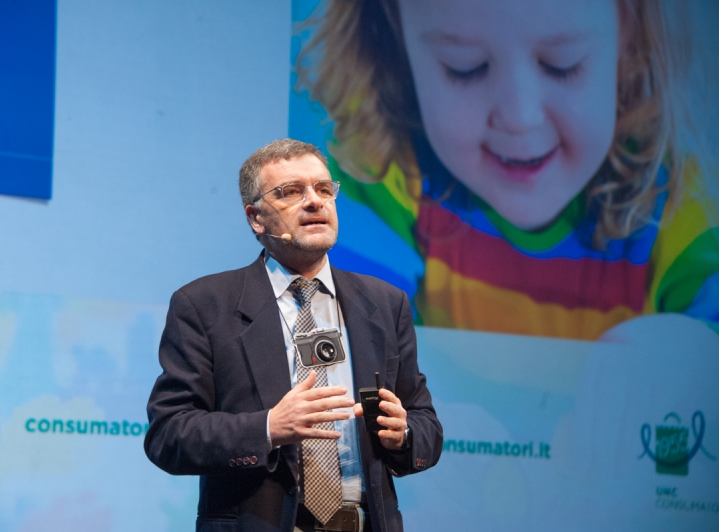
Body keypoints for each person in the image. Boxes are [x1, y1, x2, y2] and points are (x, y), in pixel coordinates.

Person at [294, 0, 719, 340]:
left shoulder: (679, 201)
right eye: (465, 66)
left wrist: (685, 350)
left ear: (629, 30)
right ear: (396, 34)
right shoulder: (383, 171)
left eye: (562, 63)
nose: (521, 117)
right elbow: (338, 327)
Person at [144, 139, 443, 532]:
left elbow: (425, 425)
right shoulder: (204, 305)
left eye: (324, 189)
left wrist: (402, 433)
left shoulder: (386, 303)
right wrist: (268, 427)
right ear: (256, 218)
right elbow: (169, 435)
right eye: (290, 192)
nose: (314, 201)